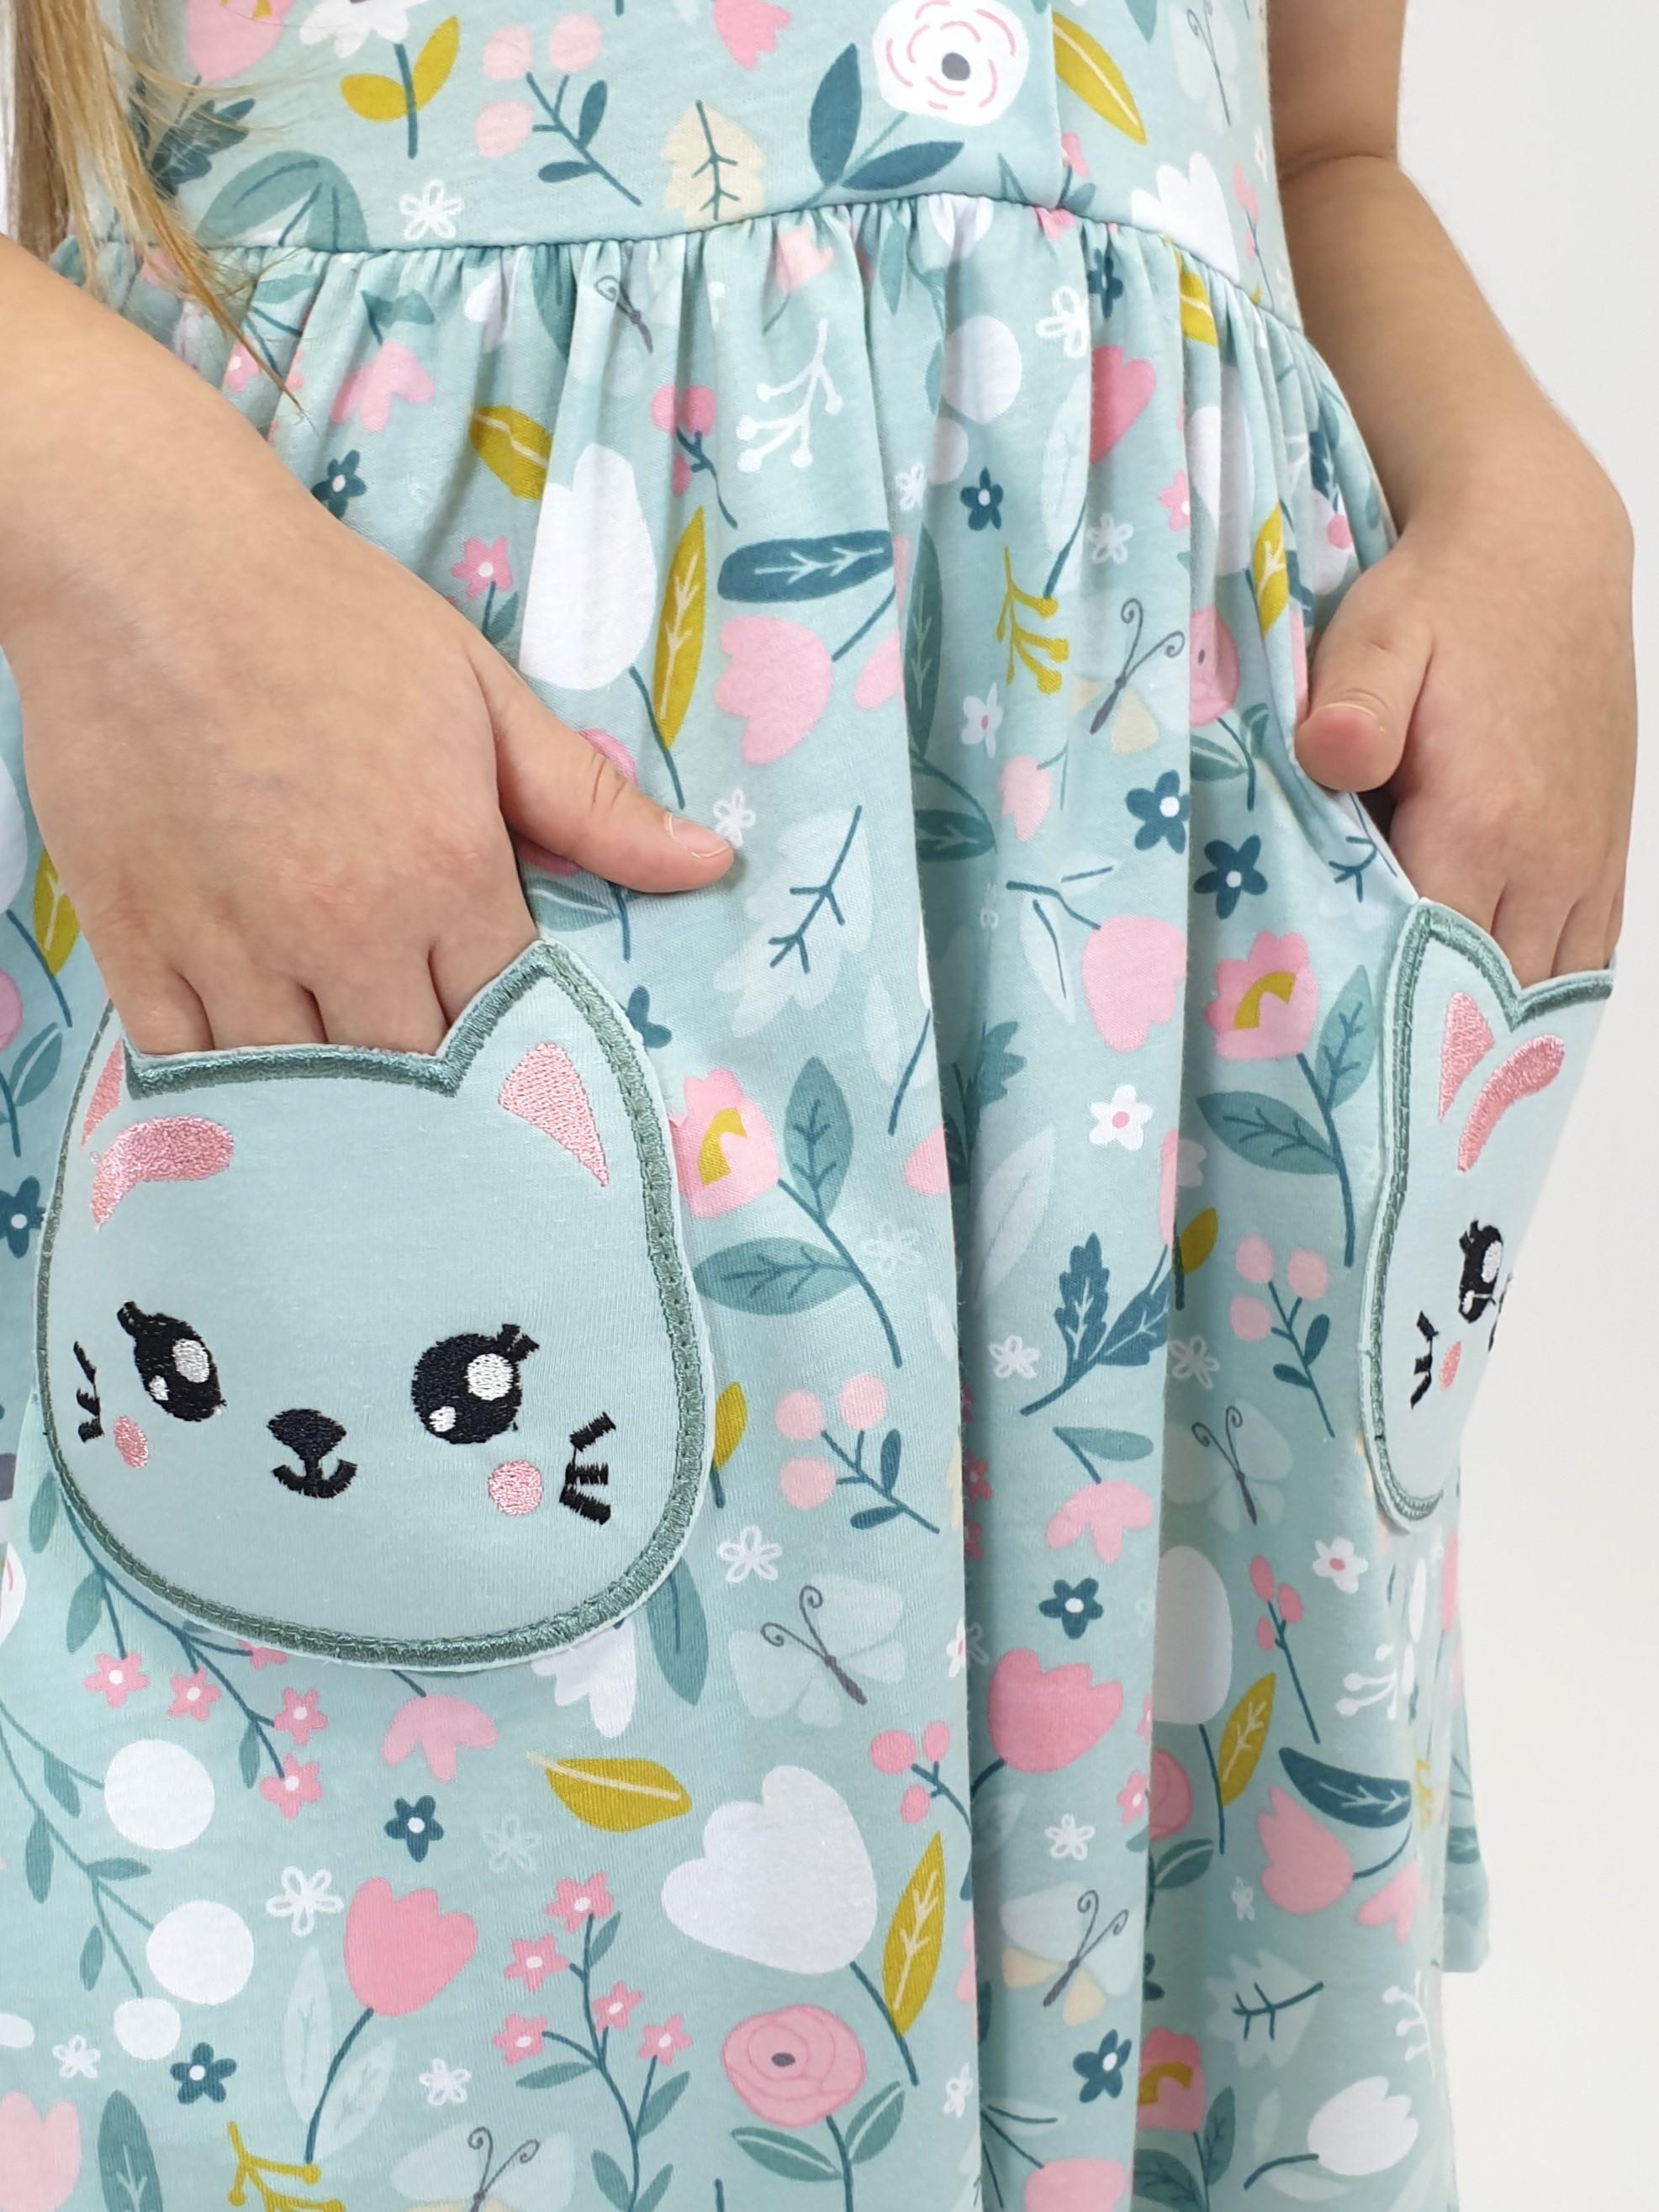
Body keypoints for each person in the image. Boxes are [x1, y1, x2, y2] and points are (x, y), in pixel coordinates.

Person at [0, 3, 1635, 2205]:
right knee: (426, 2058)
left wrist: (1530, 493)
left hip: (1147, 952)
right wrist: (107, 527)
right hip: (396, 817)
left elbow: (1326, 144)